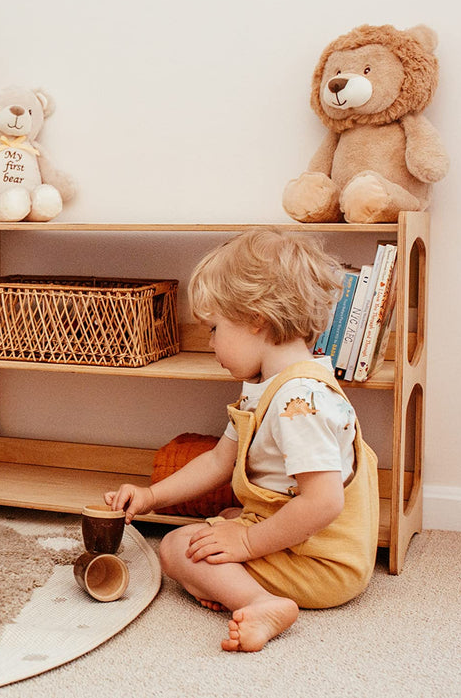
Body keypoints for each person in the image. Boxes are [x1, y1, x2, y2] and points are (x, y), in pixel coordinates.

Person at [105, 228, 379, 652]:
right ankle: (242, 566)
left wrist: (247, 541)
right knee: (225, 521)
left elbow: (324, 502)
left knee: (176, 547)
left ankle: (262, 603)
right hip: (307, 544)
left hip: (323, 563)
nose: (210, 342)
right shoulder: (267, 387)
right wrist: (151, 496)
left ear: (257, 319)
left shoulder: (299, 401)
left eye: (214, 328)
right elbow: (219, 461)